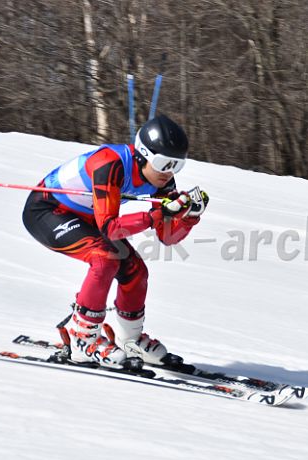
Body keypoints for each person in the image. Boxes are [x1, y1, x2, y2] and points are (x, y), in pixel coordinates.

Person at [22, 114, 208, 370]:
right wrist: (157, 215)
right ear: (143, 155)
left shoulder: (163, 180)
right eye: (164, 163)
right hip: (48, 211)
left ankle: (129, 340)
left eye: (177, 165)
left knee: (135, 271)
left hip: (89, 217)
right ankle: (82, 338)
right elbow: (110, 227)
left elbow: (167, 237)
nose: (169, 172)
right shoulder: (109, 164)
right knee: (104, 258)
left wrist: (189, 218)